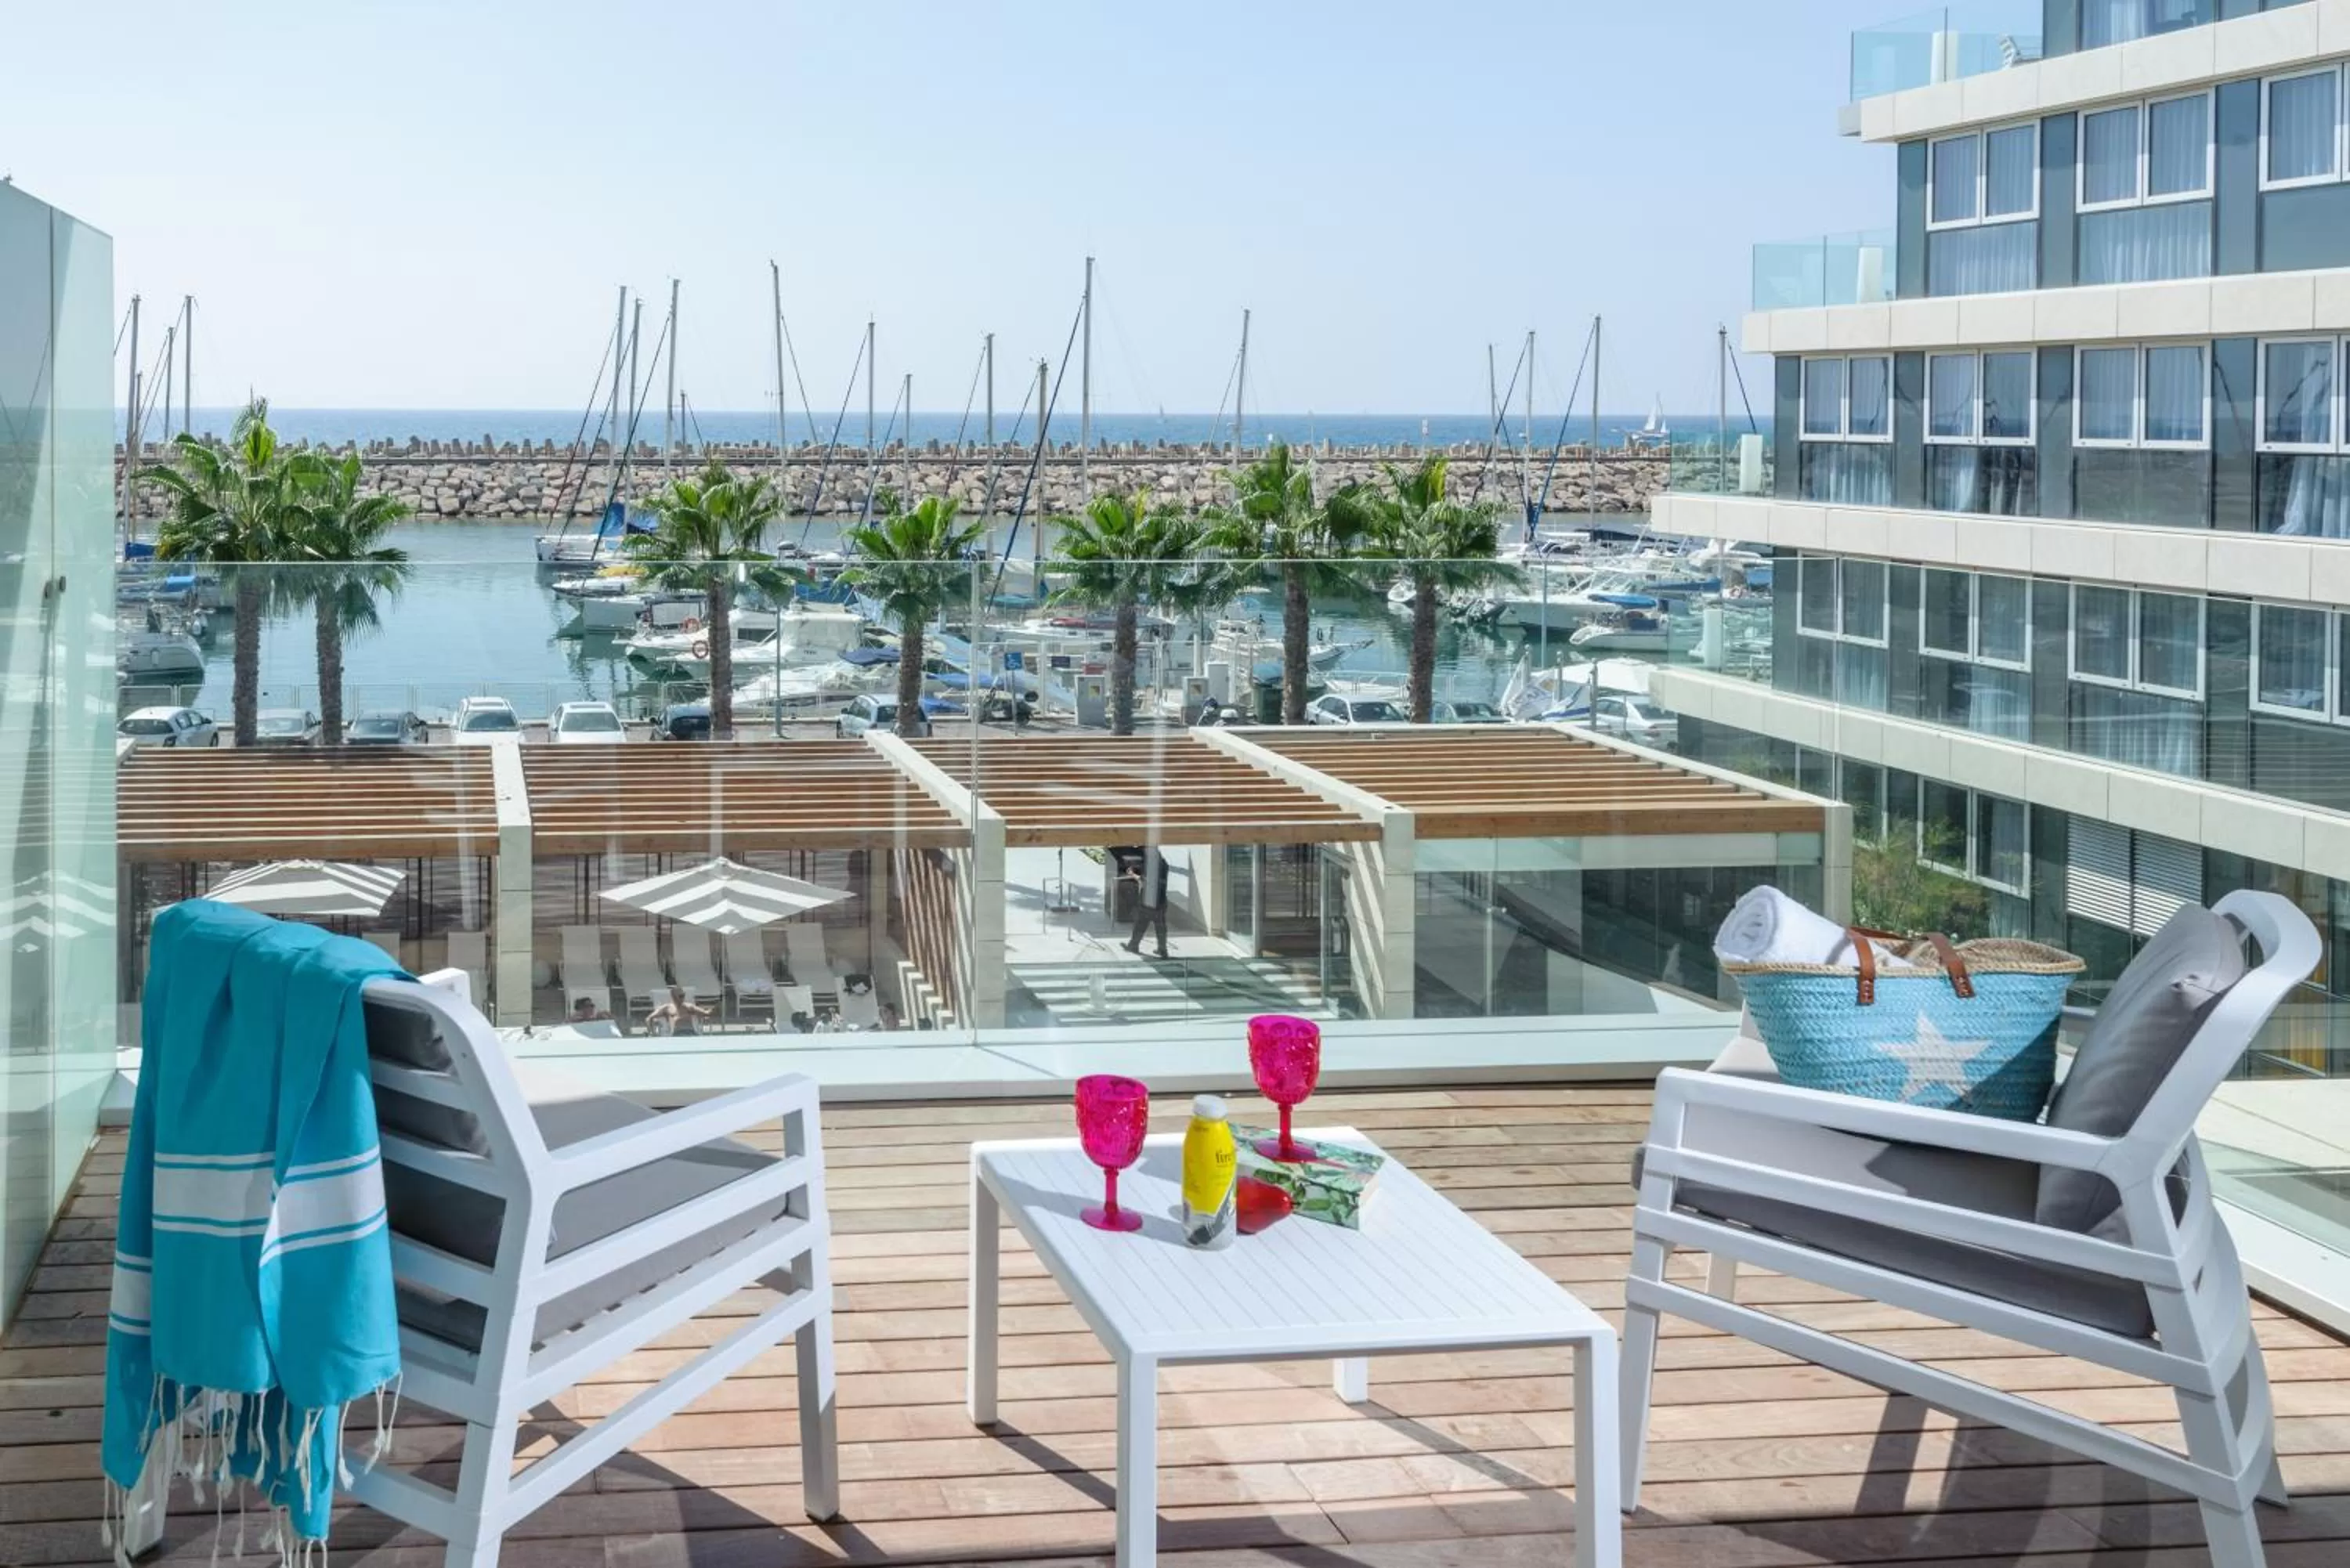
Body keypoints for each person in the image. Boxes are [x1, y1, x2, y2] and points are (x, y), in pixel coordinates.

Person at [1123, 846, 1171, 960]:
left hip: (1148, 901)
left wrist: (1132, 874)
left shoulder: (1151, 866)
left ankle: (1133, 945)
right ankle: (1162, 949)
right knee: (1160, 926)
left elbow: (1145, 881)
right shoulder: (1164, 864)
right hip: (1161, 901)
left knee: (1140, 924)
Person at [644, 984, 712, 1038]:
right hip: (676, 1035)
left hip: (691, 1033)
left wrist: (717, 1006)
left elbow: (707, 1013)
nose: (683, 998)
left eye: (683, 995)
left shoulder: (689, 1007)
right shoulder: (667, 1008)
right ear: (673, 996)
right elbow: (649, 1018)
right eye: (681, 996)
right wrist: (651, 1033)